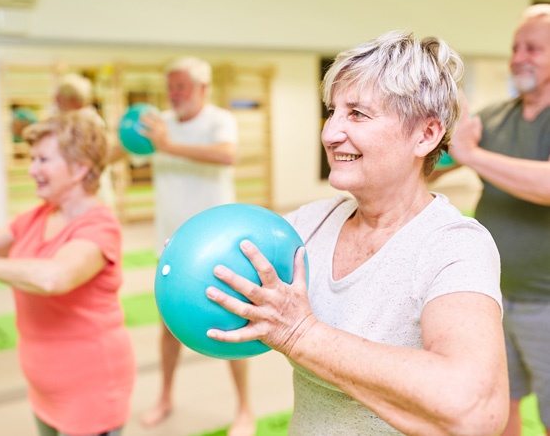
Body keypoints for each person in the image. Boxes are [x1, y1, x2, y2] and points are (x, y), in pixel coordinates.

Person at [204, 31, 509, 434]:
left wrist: (301, 334)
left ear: (426, 135)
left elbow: (474, 409)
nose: (330, 133)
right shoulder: (308, 226)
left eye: (357, 114)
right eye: (332, 112)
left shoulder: (454, 245)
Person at [0, 111, 136, 436]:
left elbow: (55, 277)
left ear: (80, 167)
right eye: (32, 159)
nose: (32, 170)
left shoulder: (100, 226)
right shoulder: (36, 216)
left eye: (43, 160)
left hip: (91, 390)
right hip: (42, 388)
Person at [436, 4, 550, 436]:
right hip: (492, 298)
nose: (519, 56)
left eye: (533, 48)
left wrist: (473, 156)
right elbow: (434, 162)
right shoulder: (491, 118)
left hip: (547, 303)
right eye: (515, 47)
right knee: (499, 411)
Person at [137, 57, 255, 436]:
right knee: (167, 328)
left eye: (182, 87)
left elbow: (227, 154)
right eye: (170, 87)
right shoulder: (161, 125)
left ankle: (244, 409)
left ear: (202, 89)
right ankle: (165, 397)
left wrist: (168, 146)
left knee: (231, 325)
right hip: (170, 244)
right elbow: (126, 152)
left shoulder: (219, 120)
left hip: (216, 245)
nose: (174, 94)